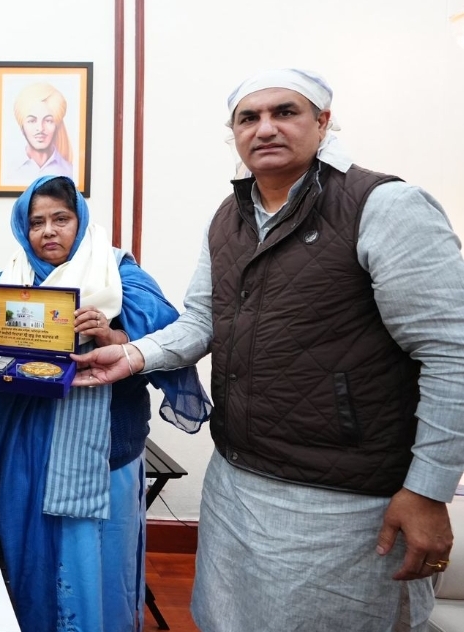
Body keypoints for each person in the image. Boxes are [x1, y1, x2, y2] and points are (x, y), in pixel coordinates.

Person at [72, 69, 464, 631]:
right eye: (248, 118)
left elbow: (452, 355)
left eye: (285, 112)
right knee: (224, 618)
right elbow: (202, 319)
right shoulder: (228, 218)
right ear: (233, 133)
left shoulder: (384, 206)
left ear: (323, 122)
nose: (265, 128)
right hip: (235, 479)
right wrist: (133, 355)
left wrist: (427, 489)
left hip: (345, 498)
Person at [0, 175, 210, 632]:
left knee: (92, 558)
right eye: (37, 222)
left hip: (100, 452)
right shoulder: (12, 277)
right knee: (21, 549)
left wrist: (113, 335)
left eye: (61, 219)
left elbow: (166, 342)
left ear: (80, 221)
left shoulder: (119, 274)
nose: (48, 231)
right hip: (21, 446)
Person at [5, 82, 75, 184]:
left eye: (48, 120)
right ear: (22, 126)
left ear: (57, 125)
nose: (40, 128)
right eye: (32, 121)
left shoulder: (70, 171)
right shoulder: (9, 171)